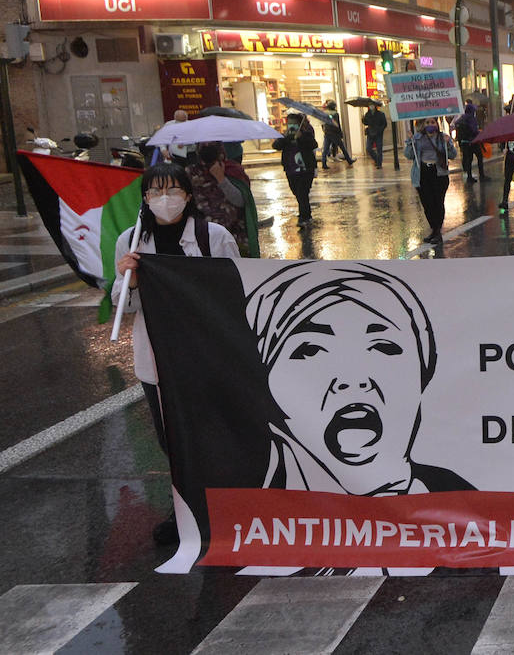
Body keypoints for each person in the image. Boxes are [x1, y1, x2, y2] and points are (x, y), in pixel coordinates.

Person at [245, 262, 471, 496]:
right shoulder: (240, 518)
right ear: (265, 381)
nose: (353, 380)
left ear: (423, 371)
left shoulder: (468, 505)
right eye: (311, 350)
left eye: (383, 347)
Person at [114, 163, 241, 544]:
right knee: (172, 438)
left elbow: (238, 289)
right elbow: (122, 305)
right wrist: (128, 280)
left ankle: (228, 504)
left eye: (173, 190)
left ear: (188, 195)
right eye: (155, 192)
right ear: (145, 198)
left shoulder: (213, 237)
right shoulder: (131, 242)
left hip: (208, 357)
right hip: (157, 358)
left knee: (216, 432)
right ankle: (187, 509)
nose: (164, 199)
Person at [186, 142, 253, 255]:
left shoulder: (233, 170)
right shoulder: (190, 173)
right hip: (203, 236)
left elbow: (241, 202)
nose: (207, 147)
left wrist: (221, 179)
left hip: (234, 235)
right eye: (204, 145)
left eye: (211, 144)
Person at [404, 118, 457, 243]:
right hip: (423, 173)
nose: (430, 125)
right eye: (427, 123)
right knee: (427, 204)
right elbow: (409, 155)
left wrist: (449, 143)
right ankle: (433, 229)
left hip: (439, 173)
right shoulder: (418, 138)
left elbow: (453, 155)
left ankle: (437, 231)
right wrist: (409, 142)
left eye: (432, 122)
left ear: (437, 124)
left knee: (438, 203)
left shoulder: (442, 137)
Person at [273, 113, 318, 228]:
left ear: (300, 124)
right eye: (290, 123)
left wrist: (301, 138)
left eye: (294, 123)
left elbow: (313, 144)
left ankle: (305, 217)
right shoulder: (285, 136)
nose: (292, 126)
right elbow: (276, 145)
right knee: (296, 192)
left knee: (302, 193)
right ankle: (304, 213)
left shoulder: (306, 134)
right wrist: (287, 137)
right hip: (291, 170)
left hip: (305, 170)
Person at [453, 101, 485, 182]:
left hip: (464, 142)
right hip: (473, 141)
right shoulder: (471, 118)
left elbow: (456, 124)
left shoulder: (461, 118)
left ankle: (469, 176)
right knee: (479, 157)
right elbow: (474, 130)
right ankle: (481, 175)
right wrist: (479, 133)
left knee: (469, 159)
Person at [319, 100, 354, 169]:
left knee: (325, 149)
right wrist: (340, 133)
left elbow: (323, 124)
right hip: (334, 133)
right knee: (342, 147)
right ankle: (349, 160)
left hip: (327, 133)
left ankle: (324, 163)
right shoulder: (335, 114)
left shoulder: (325, 113)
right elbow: (336, 124)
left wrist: (324, 130)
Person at [362, 101, 388, 169]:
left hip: (378, 133)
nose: (371, 106)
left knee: (379, 149)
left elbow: (384, 124)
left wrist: (380, 130)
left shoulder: (381, 114)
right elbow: (366, 123)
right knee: (368, 148)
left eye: (372, 105)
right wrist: (363, 119)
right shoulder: (367, 114)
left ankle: (379, 164)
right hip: (370, 133)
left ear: (375, 106)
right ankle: (376, 159)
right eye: (370, 105)